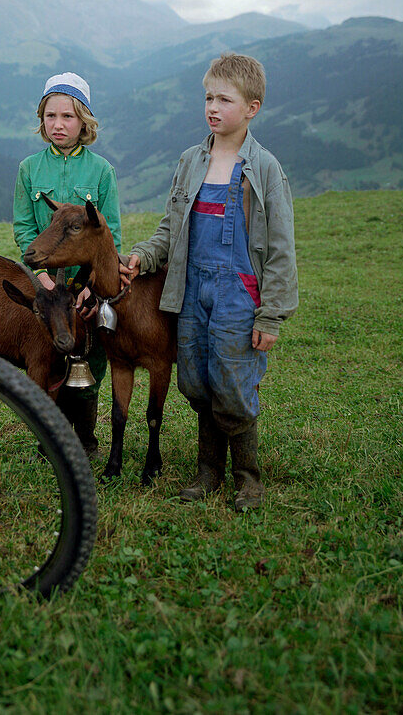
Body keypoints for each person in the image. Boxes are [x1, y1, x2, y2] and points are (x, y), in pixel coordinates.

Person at [121, 54, 297, 511]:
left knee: (232, 382)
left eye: (224, 99)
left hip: (239, 292)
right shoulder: (189, 162)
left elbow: (280, 248)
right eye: (208, 98)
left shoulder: (264, 170)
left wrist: (271, 314)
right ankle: (208, 471)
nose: (212, 107)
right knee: (196, 381)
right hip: (190, 289)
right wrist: (144, 255)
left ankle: (247, 477)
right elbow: (170, 227)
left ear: (252, 108)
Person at [13, 73, 122, 458]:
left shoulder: (101, 171)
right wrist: (41, 279)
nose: (58, 124)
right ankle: (52, 438)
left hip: (85, 285)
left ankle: (87, 441)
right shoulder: (29, 169)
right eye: (50, 115)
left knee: (89, 359)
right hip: (45, 283)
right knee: (48, 359)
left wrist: (92, 285)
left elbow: (113, 238)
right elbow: (25, 229)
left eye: (68, 116)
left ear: (84, 122)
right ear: (41, 119)